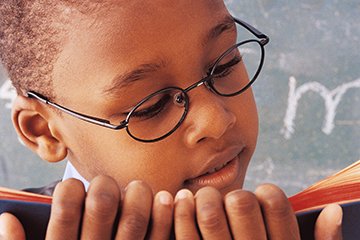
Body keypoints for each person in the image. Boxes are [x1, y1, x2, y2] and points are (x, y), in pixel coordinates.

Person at [0, 0, 343, 239]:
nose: (215, 120)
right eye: (151, 105)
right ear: (44, 130)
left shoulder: (326, 224)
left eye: (223, 64)